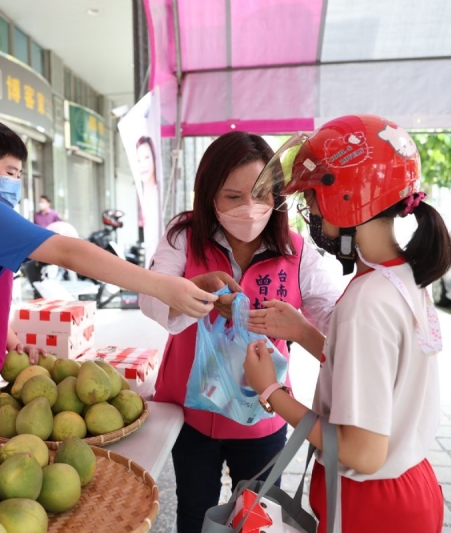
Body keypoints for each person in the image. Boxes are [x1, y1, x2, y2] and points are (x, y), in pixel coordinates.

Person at [0, 117, 218, 406]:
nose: (15, 183)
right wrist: (161, 286)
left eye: (19, 174)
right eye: (9, 172)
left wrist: (12, 342)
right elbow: (68, 252)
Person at [243, 115, 451, 532]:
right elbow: (379, 374)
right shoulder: (401, 276)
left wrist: (270, 390)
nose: (310, 212)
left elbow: (362, 451)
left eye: (314, 199)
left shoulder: (367, 302)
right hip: (410, 487)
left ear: (346, 197)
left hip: (372, 505)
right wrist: (303, 332)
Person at [139, 131, 341, 533]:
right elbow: (151, 297)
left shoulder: (296, 252)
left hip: (263, 414)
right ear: (210, 195)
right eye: (233, 196)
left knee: (257, 517)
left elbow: (335, 320)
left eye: (262, 194)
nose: (249, 208)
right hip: (192, 413)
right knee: (195, 512)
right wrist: (198, 294)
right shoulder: (183, 236)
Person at [135, 136, 161, 257]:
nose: (143, 164)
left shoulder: (158, 194)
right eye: (138, 160)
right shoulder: (139, 195)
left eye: (146, 157)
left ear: (154, 158)